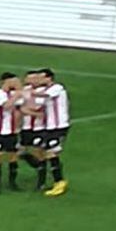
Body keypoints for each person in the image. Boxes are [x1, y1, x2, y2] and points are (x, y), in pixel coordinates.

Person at [0, 72, 22, 195]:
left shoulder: (12, 94)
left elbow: (20, 108)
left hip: (11, 130)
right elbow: (7, 106)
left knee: (13, 155)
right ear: (6, 82)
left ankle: (12, 183)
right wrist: (18, 94)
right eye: (13, 81)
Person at [39, 69, 71, 197]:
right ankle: (58, 181)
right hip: (50, 127)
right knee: (48, 153)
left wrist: (26, 94)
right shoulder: (44, 90)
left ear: (49, 78)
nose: (40, 81)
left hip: (59, 126)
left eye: (42, 78)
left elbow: (45, 97)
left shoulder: (57, 88)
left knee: (52, 153)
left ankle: (59, 182)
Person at [17, 70, 46, 185]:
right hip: (26, 127)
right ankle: (40, 166)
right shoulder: (24, 91)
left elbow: (37, 108)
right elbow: (20, 107)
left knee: (38, 152)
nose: (32, 81)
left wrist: (26, 109)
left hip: (39, 128)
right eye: (29, 78)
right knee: (20, 152)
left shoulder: (43, 92)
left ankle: (41, 182)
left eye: (35, 78)